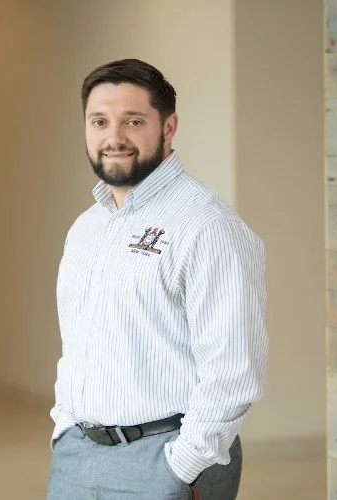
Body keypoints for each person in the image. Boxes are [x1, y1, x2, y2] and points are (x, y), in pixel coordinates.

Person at [47, 58, 267, 500]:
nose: (114, 138)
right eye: (99, 121)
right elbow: (78, 345)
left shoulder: (206, 223)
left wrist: (182, 465)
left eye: (133, 121)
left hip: (165, 460)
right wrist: (64, 428)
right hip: (76, 457)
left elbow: (234, 368)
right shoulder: (86, 228)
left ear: (168, 127)